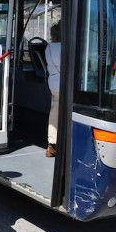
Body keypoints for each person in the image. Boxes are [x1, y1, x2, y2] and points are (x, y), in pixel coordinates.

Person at [44, 22, 62, 158]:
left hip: (53, 82)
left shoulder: (49, 47)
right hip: (64, 83)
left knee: (55, 111)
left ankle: (52, 144)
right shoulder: (66, 47)